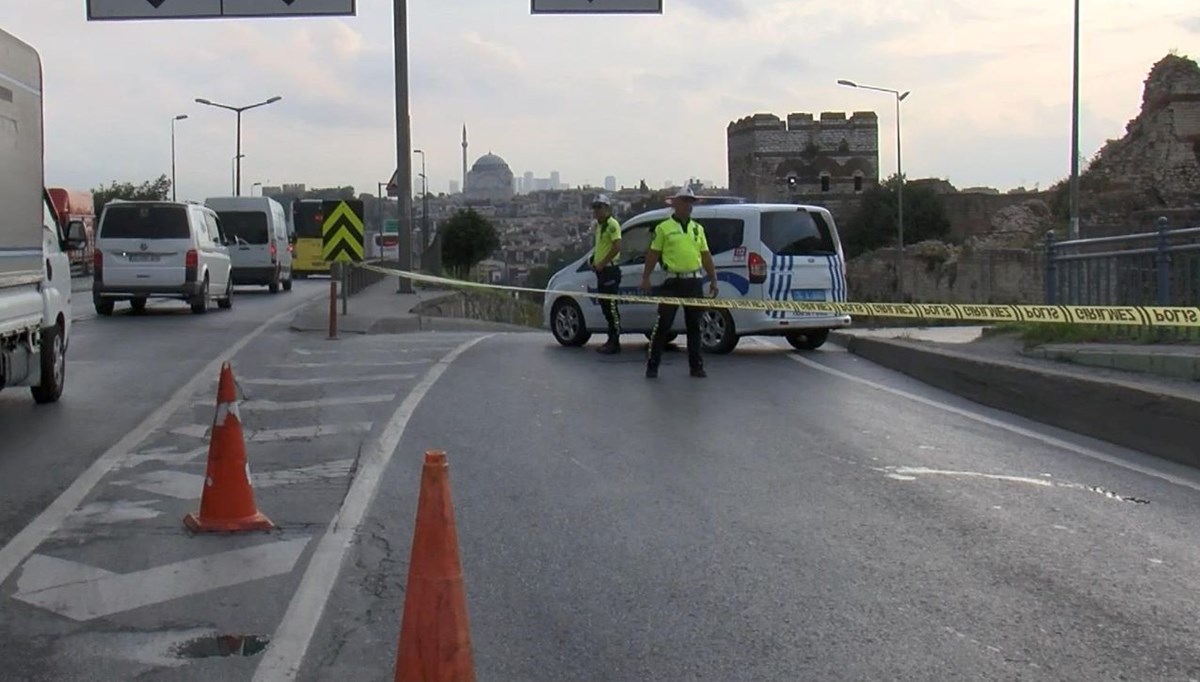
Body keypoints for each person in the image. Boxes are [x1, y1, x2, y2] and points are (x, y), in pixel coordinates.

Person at [639, 187, 718, 378]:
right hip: (672, 281)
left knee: (694, 327)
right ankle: (653, 365)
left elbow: (705, 256)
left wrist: (713, 279)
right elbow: (653, 254)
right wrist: (646, 277)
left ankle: (696, 366)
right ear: (676, 203)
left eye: (691, 202)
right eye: (685, 201)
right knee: (663, 326)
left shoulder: (697, 229)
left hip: (694, 281)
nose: (688, 206)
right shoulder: (664, 228)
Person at [590, 194, 623, 354]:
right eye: (595, 208)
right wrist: (594, 260)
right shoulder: (598, 226)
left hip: (609, 270)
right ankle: (611, 338)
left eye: (600, 207)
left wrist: (602, 263)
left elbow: (617, 246)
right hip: (601, 271)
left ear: (607, 208)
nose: (596, 211)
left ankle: (615, 340)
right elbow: (600, 247)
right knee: (605, 306)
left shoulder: (612, 225)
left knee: (611, 307)